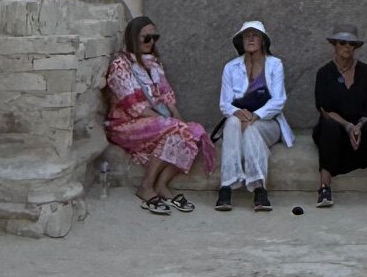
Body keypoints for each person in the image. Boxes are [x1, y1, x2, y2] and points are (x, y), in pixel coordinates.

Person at [104, 16, 214, 216]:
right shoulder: (121, 65)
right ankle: (146, 186)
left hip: (155, 121)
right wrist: (171, 124)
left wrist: (182, 126)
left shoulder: (154, 65)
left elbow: (168, 99)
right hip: (126, 124)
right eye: (146, 38)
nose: (151, 42)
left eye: (154, 38)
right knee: (176, 129)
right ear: (133, 38)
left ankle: (162, 185)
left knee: (195, 132)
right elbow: (134, 107)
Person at [311, 27, 367, 210]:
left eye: (351, 44)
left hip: (362, 126)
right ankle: (324, 188)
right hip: (337, 126)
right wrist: (348, 126)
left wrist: (358, 125)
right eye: (342, 43)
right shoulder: (324, 73)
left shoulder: (366, 71)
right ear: (334, 45)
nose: (347, 47)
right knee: (328, 127)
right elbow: (324, 108)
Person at [216, 19, 293, 214]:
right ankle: (227, 186)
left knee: (251, 129)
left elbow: (278, 100)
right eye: (246, 35)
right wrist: (237, 113)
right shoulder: (231, 67)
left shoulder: (275, 65)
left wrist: (256, 116)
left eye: (255, 35)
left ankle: (259, 187)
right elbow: (225, 103)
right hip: (239, 119)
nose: (250, 38)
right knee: (232, 123)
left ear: (263, 41)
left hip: (268, 122)